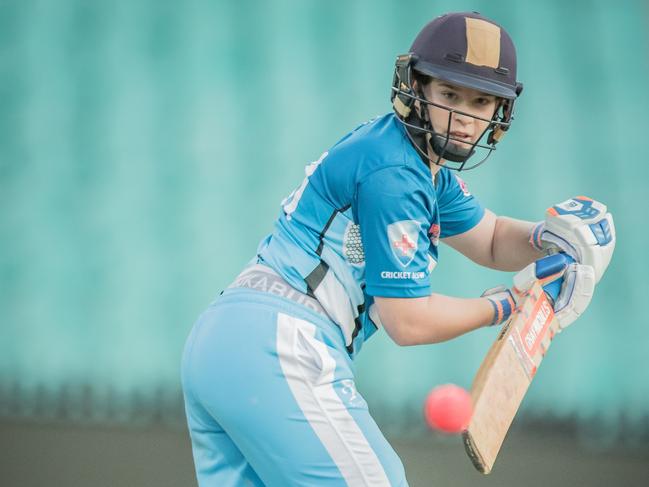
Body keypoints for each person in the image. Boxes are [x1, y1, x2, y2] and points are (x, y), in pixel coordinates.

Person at [181, 11, 616, 487]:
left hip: (222, 342)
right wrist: (510, 305)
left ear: (500, 111)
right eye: (450, 94)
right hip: (281, 345)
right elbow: (406, 321)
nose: (465, 118)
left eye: (481, 101)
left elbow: (490, 240)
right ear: (417, 87)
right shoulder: (398, 175)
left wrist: (548, 238)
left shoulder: (412, 162)